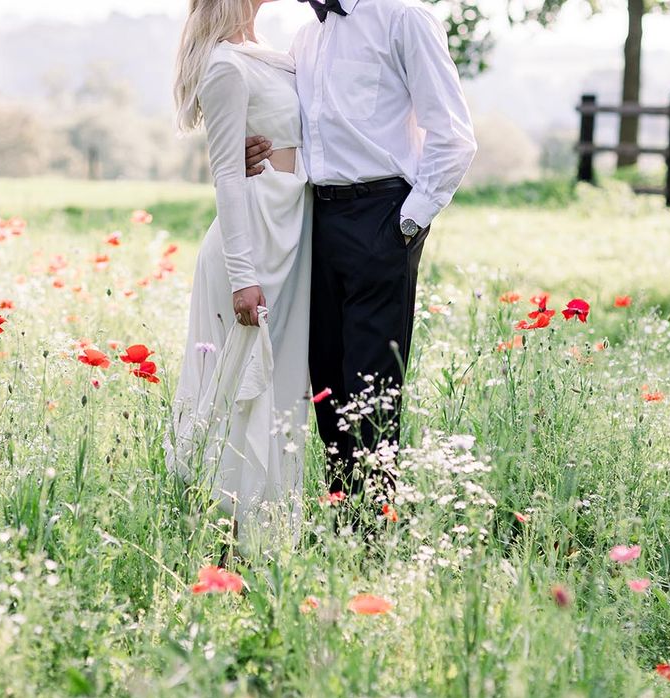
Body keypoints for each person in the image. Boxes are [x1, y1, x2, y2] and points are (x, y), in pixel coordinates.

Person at [246, 0, 477, 500]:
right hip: (315, 219)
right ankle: (344, 518)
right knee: (326, 377)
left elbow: (453, 136)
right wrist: (253, 151)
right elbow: (297, 130)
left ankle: (374, 530)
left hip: (383, 215)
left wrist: (407, 222)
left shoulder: (403, 19)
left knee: (370, 385)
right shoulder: (305, 37)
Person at [165, 0, 312, 551]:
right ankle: (226, 530)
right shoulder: (226, 65)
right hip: (250, 245)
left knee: (279, 387)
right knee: (240, 385)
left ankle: (271, 531)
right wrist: (241, 275)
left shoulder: (273, 53)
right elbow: (227, 173)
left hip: (289, 233)